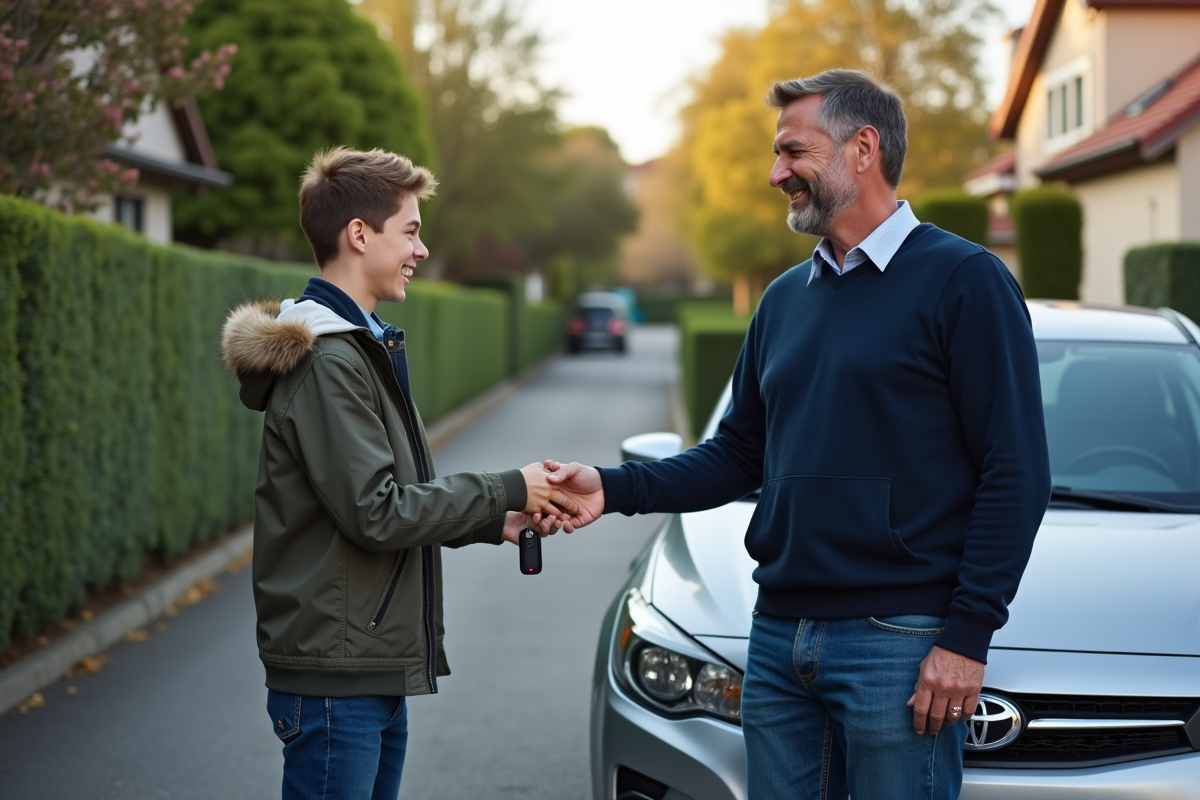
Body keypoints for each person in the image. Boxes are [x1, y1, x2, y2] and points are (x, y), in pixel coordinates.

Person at [541, 70, 1051, 800]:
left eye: (793, 152)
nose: (776, 173)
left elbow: (1016, 469)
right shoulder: (783, 300)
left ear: (863, 149)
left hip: (899, 641)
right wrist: (612, 487)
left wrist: (967, 635)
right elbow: (738, 454)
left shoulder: (965, 281)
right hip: (779, 637)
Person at [220, 146, 577, 800]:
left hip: (364, 668)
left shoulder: (360, 344)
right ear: (359, 234)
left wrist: (496, 518)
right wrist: (507, 486)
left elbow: (390, 498)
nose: (422, 249)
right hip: (339, 679)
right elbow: (378, 511)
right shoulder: (328, 360)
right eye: (410, 230)